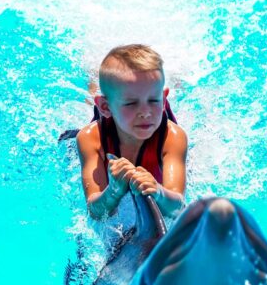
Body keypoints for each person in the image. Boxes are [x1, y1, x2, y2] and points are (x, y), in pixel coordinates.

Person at [76, 44, 188, 219]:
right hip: (111, 119)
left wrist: (159, 192)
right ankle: (93, 75)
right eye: (131, 103)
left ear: (164, 99)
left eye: (154, 100)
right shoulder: (91, 138)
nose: (145, 112)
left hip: (130, 117)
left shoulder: (172, 137)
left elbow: (178, 206)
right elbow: (94, 210)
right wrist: (113, 191)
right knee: (94, 99)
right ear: (106, 107)